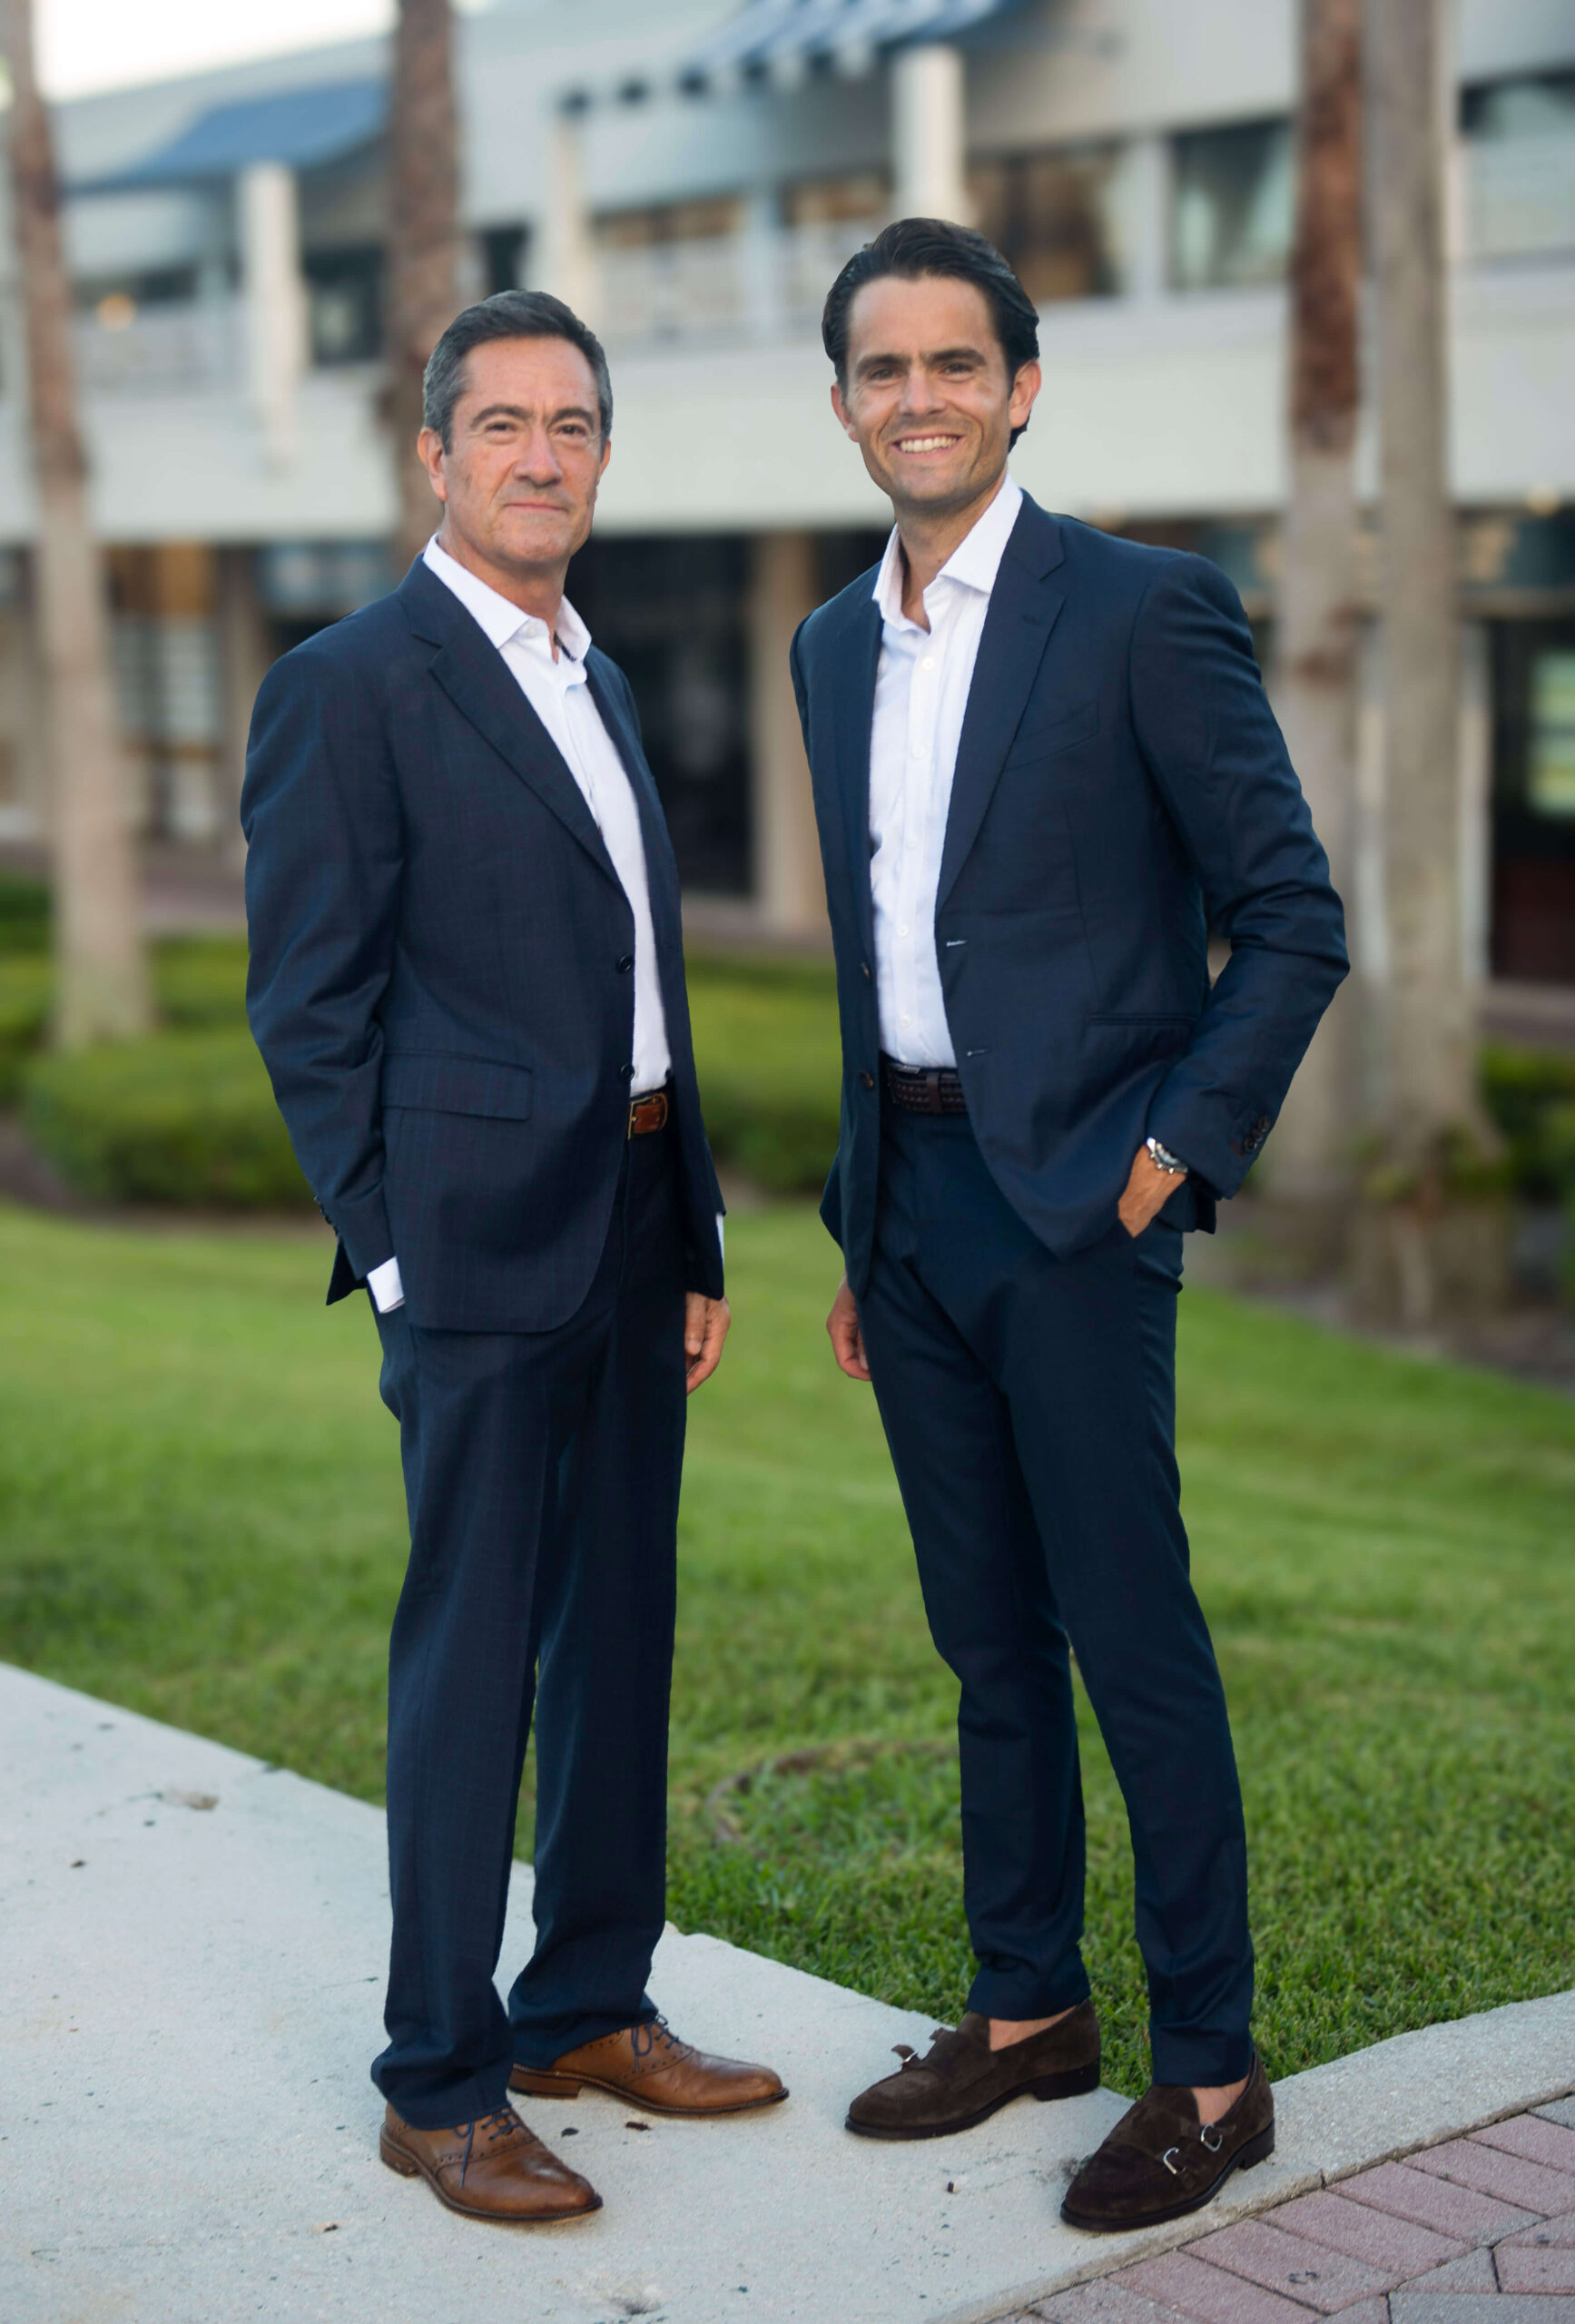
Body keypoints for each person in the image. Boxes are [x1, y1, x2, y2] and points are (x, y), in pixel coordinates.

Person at [790, 220, 1347, 2232]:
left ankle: (1212, 2065)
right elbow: (876, 949)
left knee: (1129, 1634)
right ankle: (1028, 2006)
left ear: (1021, 387)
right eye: (881, 367)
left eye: (956, 362)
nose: (918, 396)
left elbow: (1288, 913)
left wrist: (1161, 1154)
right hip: (912, 1202)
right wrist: (864, 1224)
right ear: (843, 399)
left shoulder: (1138, 608)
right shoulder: (828, 643)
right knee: (981, 1637)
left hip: (1076, 1199)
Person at [242, 290, 785, 2229]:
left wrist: (700, 1214)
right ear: (435, 453)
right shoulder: (352, 682)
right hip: (470, 1254)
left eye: (574, 425)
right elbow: (309, 1011)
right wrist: (391, 1258)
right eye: (505, 424)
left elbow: (645, 975)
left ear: (602, 457)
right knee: (472, 1659)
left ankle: (582, 2003)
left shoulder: (596, 674)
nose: (542, 455)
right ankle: (438, 2074)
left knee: (617, 1630)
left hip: (637, 1224)